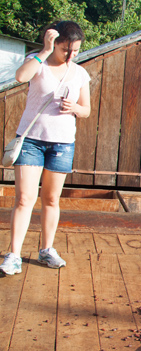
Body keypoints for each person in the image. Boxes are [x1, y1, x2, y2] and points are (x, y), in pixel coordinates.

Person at [0, 21, 91, 276]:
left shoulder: (80, 73)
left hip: (62, 143)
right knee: (24, 199)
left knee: (51, 199)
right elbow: (20, 77)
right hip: (31, 140)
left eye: (75, 51)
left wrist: (75, 108)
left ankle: (46, 250)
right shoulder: (37, 62)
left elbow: (86, 109)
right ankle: (13, 255)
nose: (70, 55)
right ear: (54, 43)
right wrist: (44, 51)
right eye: (65, 50)